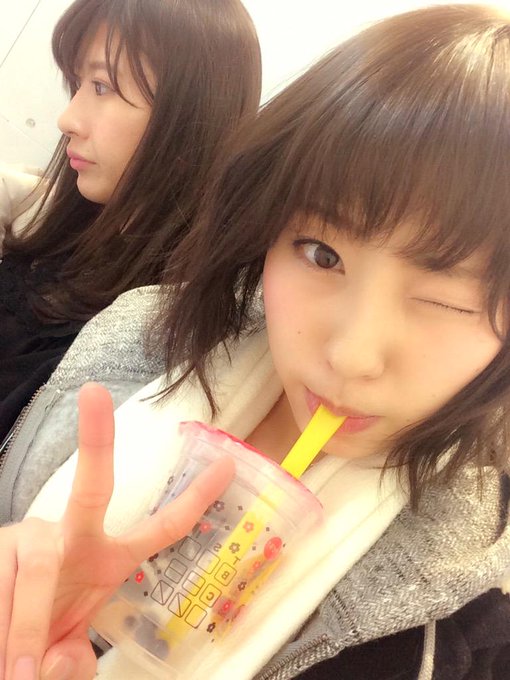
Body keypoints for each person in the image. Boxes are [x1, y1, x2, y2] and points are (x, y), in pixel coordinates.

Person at [3, 3, 510, 679]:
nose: (351, 355)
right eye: (321, 253)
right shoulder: (139, 343)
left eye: (449, 299)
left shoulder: (461, 619)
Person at [0, 0, 261, 441]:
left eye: (101, 86)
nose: (68, 119)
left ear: (190, 117)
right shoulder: (75, 231)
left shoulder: (146, 342)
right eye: (77, 83)